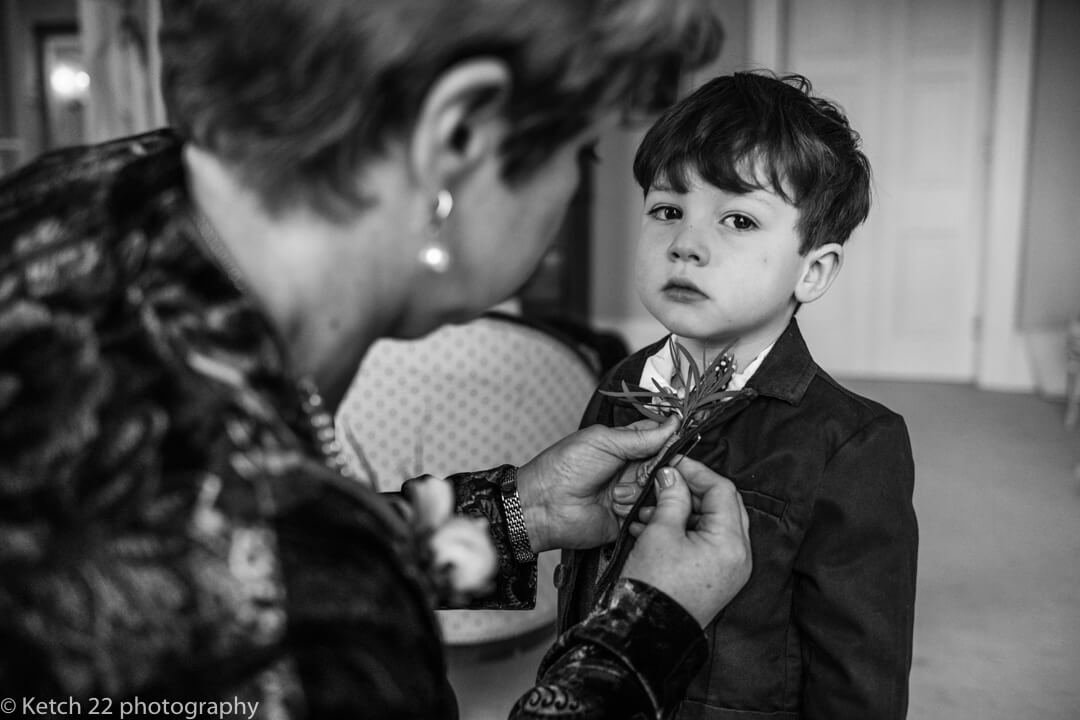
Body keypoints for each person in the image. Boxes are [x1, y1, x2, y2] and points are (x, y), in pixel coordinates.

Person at [0, 1, 756, 718]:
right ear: (455, 139)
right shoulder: (294, 606)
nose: (573, 188)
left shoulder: (80, 194)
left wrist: (521, 512)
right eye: (581, 150)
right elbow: (277, 572)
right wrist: (644, 636)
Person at [557, 71, 919, 719]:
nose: (687, 244)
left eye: (739, 219)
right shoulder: (618, 385)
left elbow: (858, 670)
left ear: (813, 270)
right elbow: (581, 584)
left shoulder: (855, 445)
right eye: (667, 210)